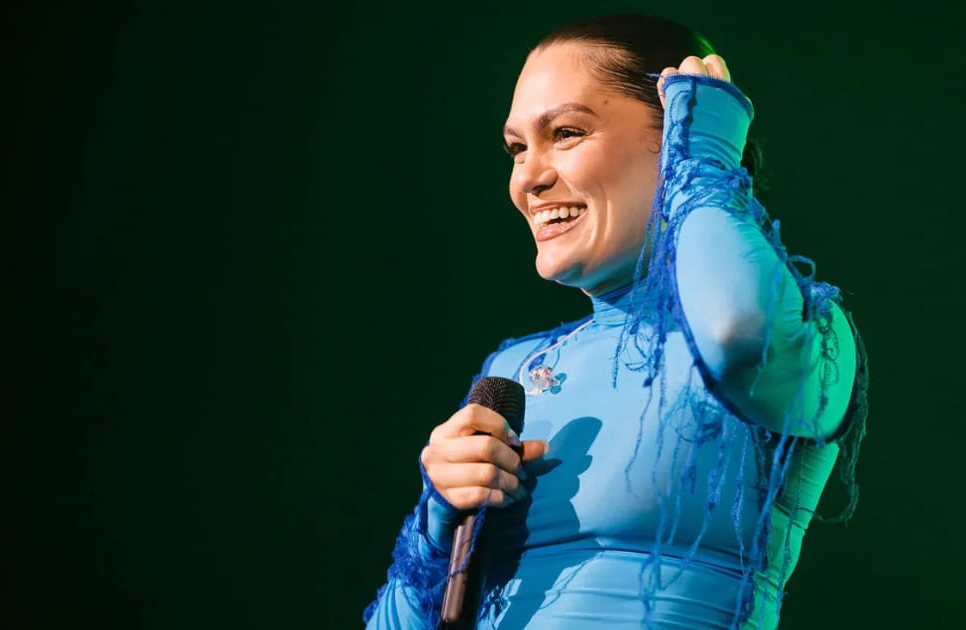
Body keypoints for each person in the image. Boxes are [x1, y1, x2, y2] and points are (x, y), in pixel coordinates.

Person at [363, 13, 869, 629]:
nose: (529, 178)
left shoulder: (808, 326)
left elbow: (737, 336)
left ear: (677, 134)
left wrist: (706, 165)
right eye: (517, 148)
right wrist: (437, 524)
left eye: (567, 133)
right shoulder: (514, 370)